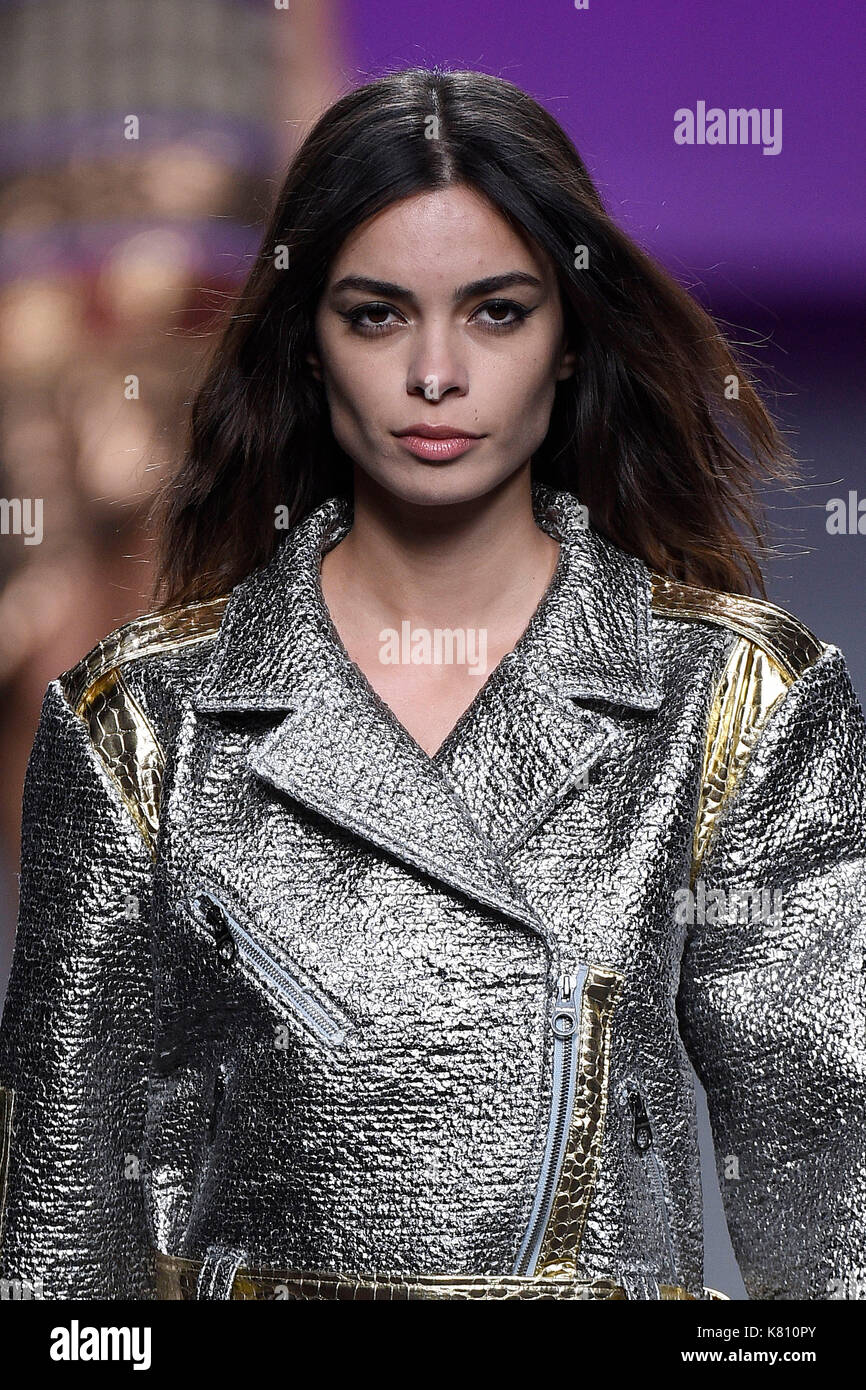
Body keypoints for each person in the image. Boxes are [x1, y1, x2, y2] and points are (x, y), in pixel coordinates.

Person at [0, 66, 863, 1302]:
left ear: (569, 339)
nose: (436, 375)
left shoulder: (734, 702)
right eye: (376, 315)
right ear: (305, 345)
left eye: (497, 312)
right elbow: (60, 1251)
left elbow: (833, 1216)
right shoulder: (140, 724)